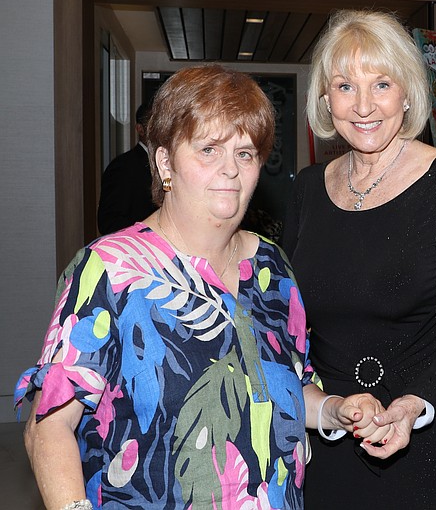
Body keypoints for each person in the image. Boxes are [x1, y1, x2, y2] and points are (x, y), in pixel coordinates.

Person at [16, 65, 386, 510]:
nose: (230, 169)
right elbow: (48, 425)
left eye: (246, 153)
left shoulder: (273, 267)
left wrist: (333, 411)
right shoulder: (111, 270)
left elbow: (287, 385)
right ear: (165, 162)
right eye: (209, 150)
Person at [281, 10, 436, 508]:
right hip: (334, 439)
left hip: (428, 434)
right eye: (344, 86)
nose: (363, 105)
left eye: (381, 84)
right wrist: (330, 409)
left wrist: (413, 403)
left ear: (407, 93)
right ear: (325, 99)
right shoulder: (307, 191)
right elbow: (292, 323)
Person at [96, 100, 158, 234]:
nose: (159, 129)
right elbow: (109, 222)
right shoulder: (123, 167)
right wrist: (145, 236)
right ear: (140, 129)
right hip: (139, 248)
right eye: (152, 124)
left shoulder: (169, 162)